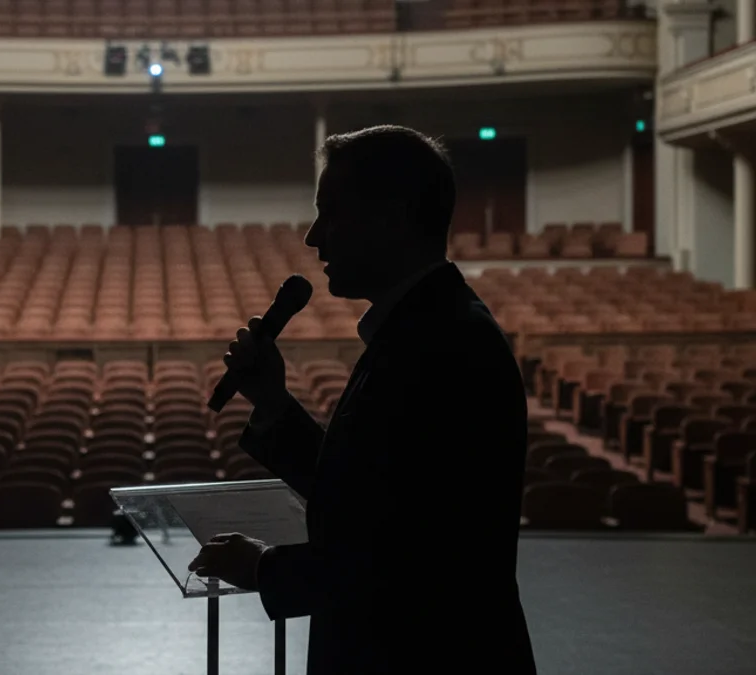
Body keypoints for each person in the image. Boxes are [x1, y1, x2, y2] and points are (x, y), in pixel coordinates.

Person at [188, 125, 537, 674]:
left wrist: (263, 567)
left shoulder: (448, 343)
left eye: (330, 212)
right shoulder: (419, 330)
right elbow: (370, 495)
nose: (313, 237)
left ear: (393, 216)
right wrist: (274, 404)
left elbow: (415, 558)